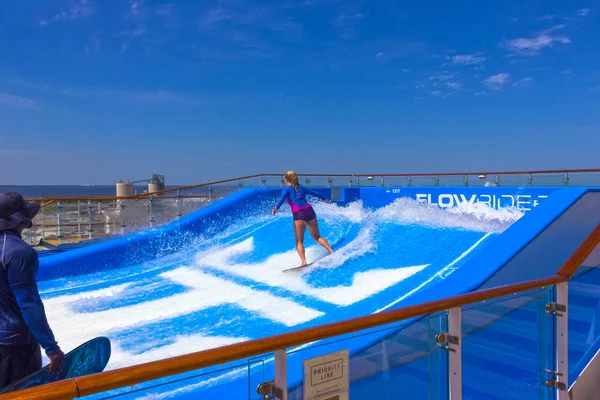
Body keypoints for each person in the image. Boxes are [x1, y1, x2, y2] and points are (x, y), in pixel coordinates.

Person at [0, 192, 64, 390]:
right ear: (20, 220)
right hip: (16, 345)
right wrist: (51, 348)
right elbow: (28, 303)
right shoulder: (19, 252)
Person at [272, 171, 334, 267]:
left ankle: (304, 261)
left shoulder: (287, 189)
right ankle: (331, 251)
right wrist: (324, 199)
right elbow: (315, 193)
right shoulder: (302, 187)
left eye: (284, 179)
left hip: (299, 214)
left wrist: (276, 208)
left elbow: (282, 199)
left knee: (299, 241)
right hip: (310, 211)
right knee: (317, 236)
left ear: (287, 179)